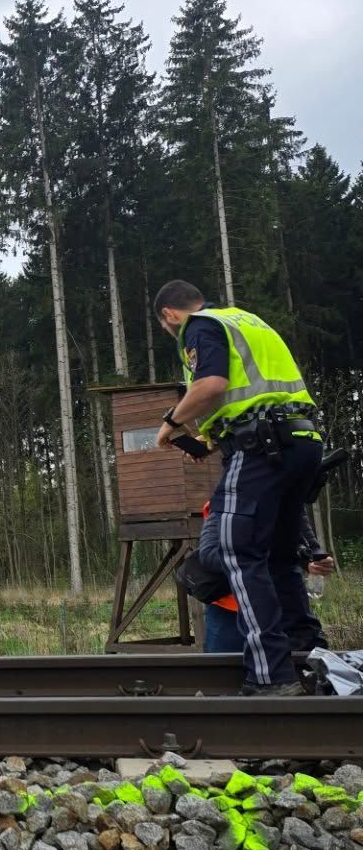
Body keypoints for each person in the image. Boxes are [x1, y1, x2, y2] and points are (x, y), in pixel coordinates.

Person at [154, 279, 323, 695]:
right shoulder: (249, 322)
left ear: (169, 315)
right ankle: (311, 656)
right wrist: (211, 439)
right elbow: (250, 395)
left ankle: (272, 676)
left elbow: (211, 385)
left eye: (167, 327)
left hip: (262, 447)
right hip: (301, 442)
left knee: (238, 552)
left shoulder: (198, 325)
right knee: (281, 555)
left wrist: (171, 423)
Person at [192, 498, 333, 652]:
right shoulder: (226, 501)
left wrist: (312, 560)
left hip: (278, 606)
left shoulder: (287, 499)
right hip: (231, 609)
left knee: (289, 667)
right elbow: (209, 554)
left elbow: (303, 537)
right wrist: (257, 558)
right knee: (225, 670)